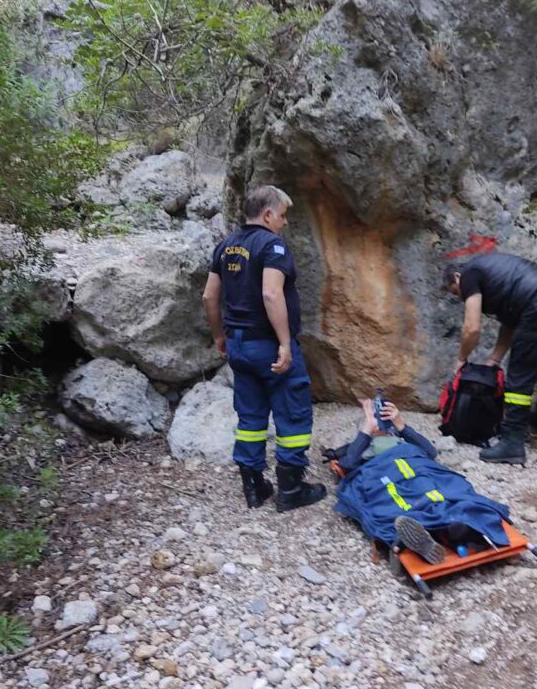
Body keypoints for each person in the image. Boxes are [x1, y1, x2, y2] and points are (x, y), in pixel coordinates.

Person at [202, 184, 326, 512]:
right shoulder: (273, 245)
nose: (285, 222)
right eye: (283, 215)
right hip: (268, 344)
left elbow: (209, 296)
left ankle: (254, 487)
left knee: (251, 415)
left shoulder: (225, 246)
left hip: (239, 345)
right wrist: (284, 343)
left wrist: (219, 335)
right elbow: (271, 294)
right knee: (292, 412)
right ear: (268, 214)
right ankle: (291, 489)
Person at [443, 251, 537, 465]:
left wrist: (461, 359)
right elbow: (510, 325)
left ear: (457, 278)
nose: (460, 297)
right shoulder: (500, 280)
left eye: (456, 292)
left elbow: (472, 328)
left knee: (520, 373)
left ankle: (512, 442)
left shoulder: (469, 274)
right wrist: (494, 360)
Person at [332, 399, 507, 564]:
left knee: (436, 491)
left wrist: (401, 426)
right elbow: (347, 465)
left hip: (418, 468)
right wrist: (366, 430)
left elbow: (430, 452)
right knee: (402, 500)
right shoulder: (361, 446)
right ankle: (438, 532)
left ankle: (449, 530)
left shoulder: (400, 439)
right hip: (385, 473)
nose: (378, 424)